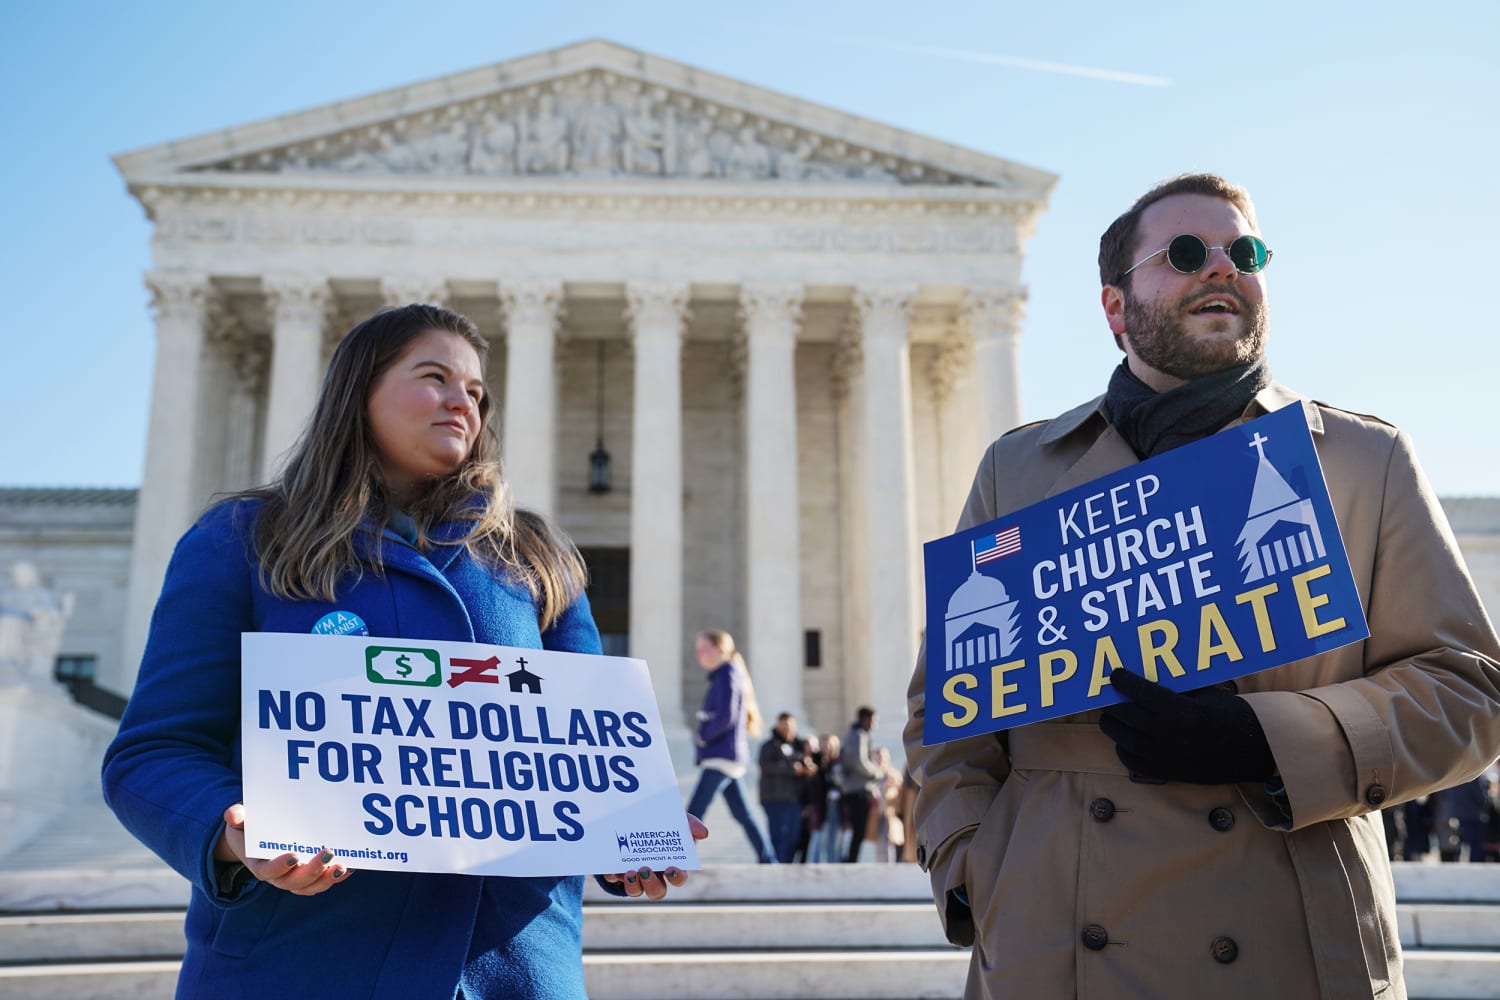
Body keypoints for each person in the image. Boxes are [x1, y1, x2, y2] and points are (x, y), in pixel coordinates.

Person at [904, 174, 1500, 998]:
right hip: (1056, 940)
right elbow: (947, 710)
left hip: (1286, 933)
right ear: (1116, 308)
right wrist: (974, 865)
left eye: (1244, 253)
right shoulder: (1018, 470)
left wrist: (1272, 740)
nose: (1221, 268)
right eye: (1186, 254)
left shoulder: (1362, 461)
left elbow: (1467, 691)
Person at [102, 304, 701, 1000]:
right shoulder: (245, 540)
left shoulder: (536, 560)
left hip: (511, 974)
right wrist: (232, 831)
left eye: (476, 392)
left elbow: (586, 758)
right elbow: (152, 753)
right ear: (360, 392)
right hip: (304, 966)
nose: (462, 402)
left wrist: (630, 830)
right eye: (434, 376)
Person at [687, 629, 776, 863]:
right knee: (743, 814)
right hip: (727, 756)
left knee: (694, 812)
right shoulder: (727, 675)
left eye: (703, 648)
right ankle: (769, 860)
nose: (699, 654)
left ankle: (679, 861)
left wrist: (703, 736)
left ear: (719, 649)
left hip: (720, 756)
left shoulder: (727, 675)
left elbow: (726, 716)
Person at [757, 713, 812, 863]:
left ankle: (785, 867)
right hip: (774, 799)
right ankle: (775, 868)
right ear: (777, 726)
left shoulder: (799, 746)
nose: (787, 729)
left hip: (795, 800)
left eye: (790, 726)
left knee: (793, 838)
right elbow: (766, 766)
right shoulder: (769, 746)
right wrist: (793, 769)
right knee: (777, 836)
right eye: (784, 725)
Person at [840, 706, 881, 862]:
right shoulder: (859, 735)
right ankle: (851, 860)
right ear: (866, 719)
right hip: (859, 789)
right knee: (859, 829)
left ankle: (852, 858)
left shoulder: (852, 734)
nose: (874, 724)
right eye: (874, 720)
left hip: (854, 789)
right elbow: (859, 762)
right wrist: (876, 772)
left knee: (857, 829)